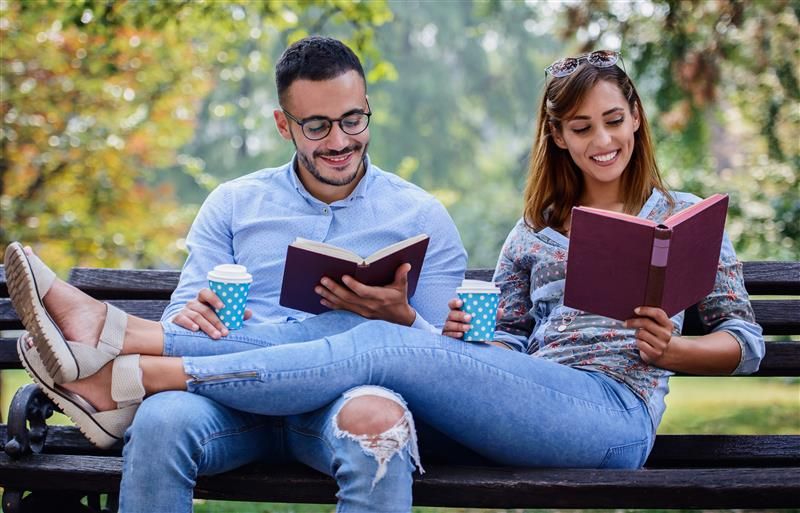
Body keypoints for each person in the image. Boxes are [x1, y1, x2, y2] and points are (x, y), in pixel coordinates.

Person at [9, 50, 764, 510]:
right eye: (580, 127)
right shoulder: (534, 229)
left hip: (614, 415)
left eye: (612, 120)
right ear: (559, 138)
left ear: (635, 116)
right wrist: (471, 338)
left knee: (374, 339)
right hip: (528, 394)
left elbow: (745, 340)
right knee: (372, 335)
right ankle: (135, 362)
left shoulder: (686, 216)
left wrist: (676, 353)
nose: (602, 139)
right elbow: (503, 339)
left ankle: (131, 360)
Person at [6, 35, 467, 513]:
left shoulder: (421, 216)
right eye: (316, 126)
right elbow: (182, 316)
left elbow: (452, 369)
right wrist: (193, 314)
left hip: (342, 403)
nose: (339, 141)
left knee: (381, 424)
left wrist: (404, 320)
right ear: (282, 125)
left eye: (352, 120)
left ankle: (109, 343)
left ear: (368, 108)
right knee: (162, 421)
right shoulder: (234, 203)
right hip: (226, 402)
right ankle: (111, 342)